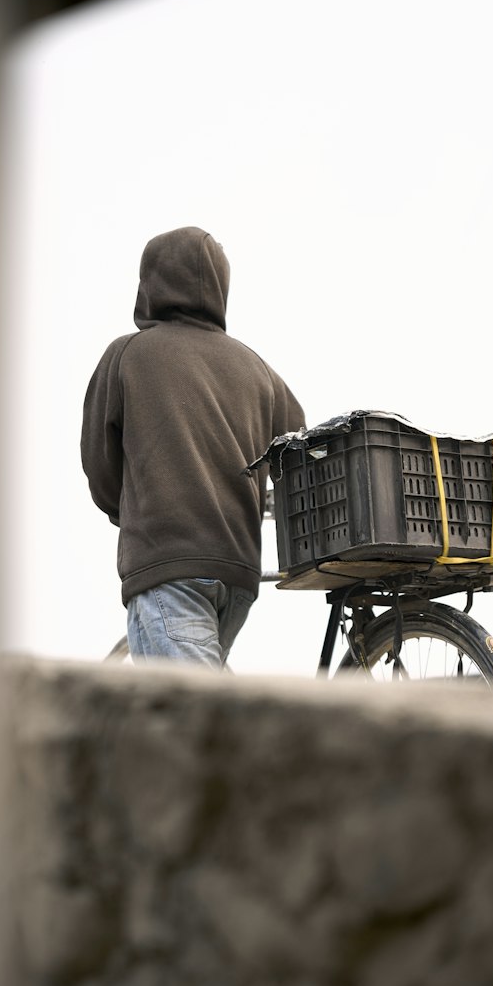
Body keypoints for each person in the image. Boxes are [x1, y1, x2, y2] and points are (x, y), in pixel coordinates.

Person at [81, 226, 305, 667]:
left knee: (199, 726)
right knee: (202, 707)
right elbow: (298, 445)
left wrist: (127, 509)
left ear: (150, 285)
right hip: (238, 571)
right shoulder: (258, 369)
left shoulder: (128, 355)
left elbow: (99, 463)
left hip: (168, 564)